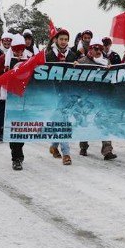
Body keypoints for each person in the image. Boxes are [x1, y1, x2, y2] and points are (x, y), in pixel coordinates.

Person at [76, 37, 117, 160]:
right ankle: (83, 146)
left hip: (102, 97)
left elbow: (113, 79)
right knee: (86, 121)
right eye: (95, 48)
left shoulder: (106, 62)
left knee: (105, 122)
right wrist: (75, 66)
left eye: (100, 48)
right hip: (86, 98)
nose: (98, 50)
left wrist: (112, 70)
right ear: (91, 49)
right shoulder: (82, 61)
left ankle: (107, 150)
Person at [0, 34, 30, 170]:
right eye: (16, 50)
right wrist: (5, 85)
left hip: (24, 99)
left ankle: (19, 151)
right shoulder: (4, 59)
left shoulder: (29, 58)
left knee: (22, 129)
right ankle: (16, 157)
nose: (19, 53)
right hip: (9, 99)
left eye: (21, 50)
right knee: (13, 128)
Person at [45, 28, 78, 165]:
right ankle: (66, 153)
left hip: (68, 93)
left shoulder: (73, 55)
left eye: (66, 39)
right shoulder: (48, 55)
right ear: (55, 40)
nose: (64, 42)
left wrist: (78, 66)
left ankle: (54, 145)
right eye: (61, 39)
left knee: (62, 120)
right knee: (63, 121)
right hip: (54, 93)